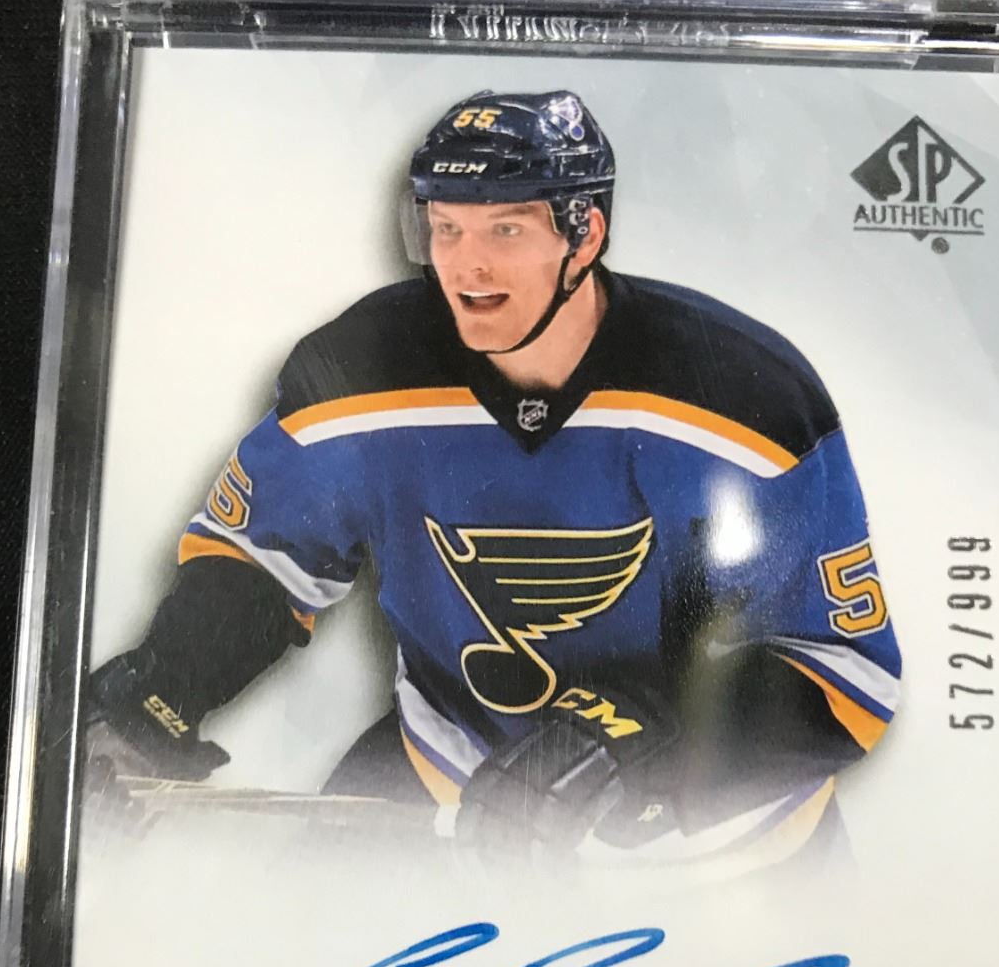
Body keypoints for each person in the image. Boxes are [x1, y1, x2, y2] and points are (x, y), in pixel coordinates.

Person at [89, 88, 901, 864]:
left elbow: (843, 674)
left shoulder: (744, 399)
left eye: (505, 229)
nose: (467, 266)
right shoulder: (358, 374)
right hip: (442, 780)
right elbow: (261, 562)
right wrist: (159, 691)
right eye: (446, 229)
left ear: (584, 236)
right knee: (290, 945)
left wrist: (616, 746)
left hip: (718, 847)